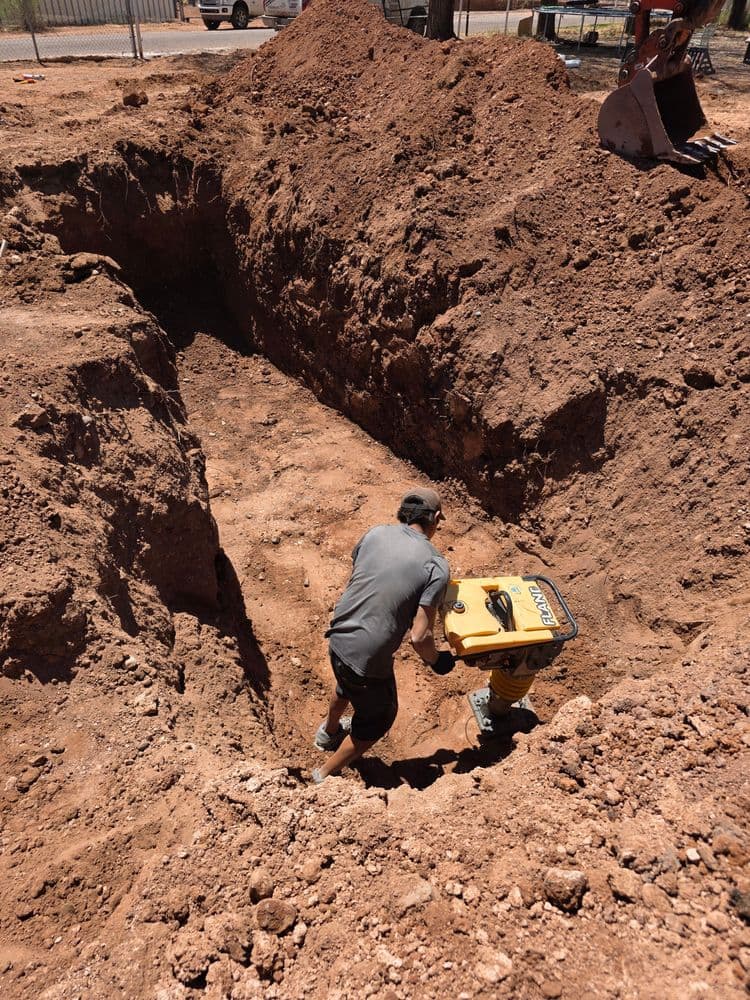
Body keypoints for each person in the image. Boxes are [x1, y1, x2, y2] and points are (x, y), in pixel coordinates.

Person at [311, 486, 456, 784]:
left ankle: (329, 732)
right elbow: (419, 637)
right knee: (380, 717)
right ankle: (323, 775)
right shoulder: (436, 566)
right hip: (367, 658)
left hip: (339, 636)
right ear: (437, 518)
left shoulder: (375, 533)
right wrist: (438, 661)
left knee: (348, 683)